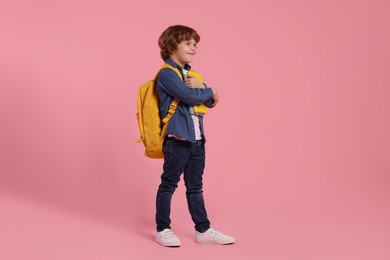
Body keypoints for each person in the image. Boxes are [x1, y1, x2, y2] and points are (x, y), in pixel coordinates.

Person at [154, 25, 235, 247]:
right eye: (188, 43)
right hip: (177, 140)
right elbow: (190, 96)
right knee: (169, 184)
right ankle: (163, 229)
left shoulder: (190, 74)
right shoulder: (167, 74)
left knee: (195, 187)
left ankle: (203, 230)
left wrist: (205, 90)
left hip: (197, 141)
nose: (194, 48)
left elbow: (209, 103)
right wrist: (212, 90)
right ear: (172, 45)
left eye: (195, 44)